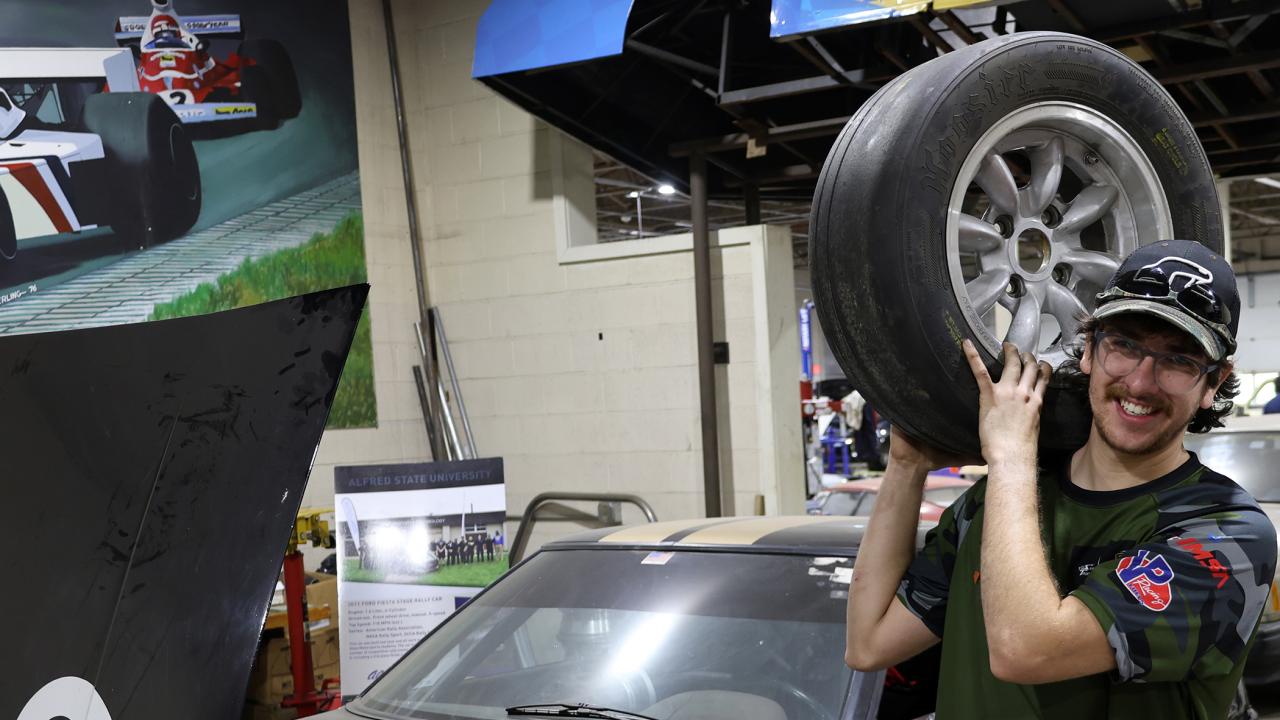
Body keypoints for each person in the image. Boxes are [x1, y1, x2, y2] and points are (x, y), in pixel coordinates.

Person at [845, 240, 1277, 719]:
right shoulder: (997, 504)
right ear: (1088, 350)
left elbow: (1027, 650)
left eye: (1179, 362)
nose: (1139, 382)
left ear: (1213, 385)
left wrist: (1010, 455)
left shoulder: (1225, 535)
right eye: (1124, 346)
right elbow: (869, 644)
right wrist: (906, 466)